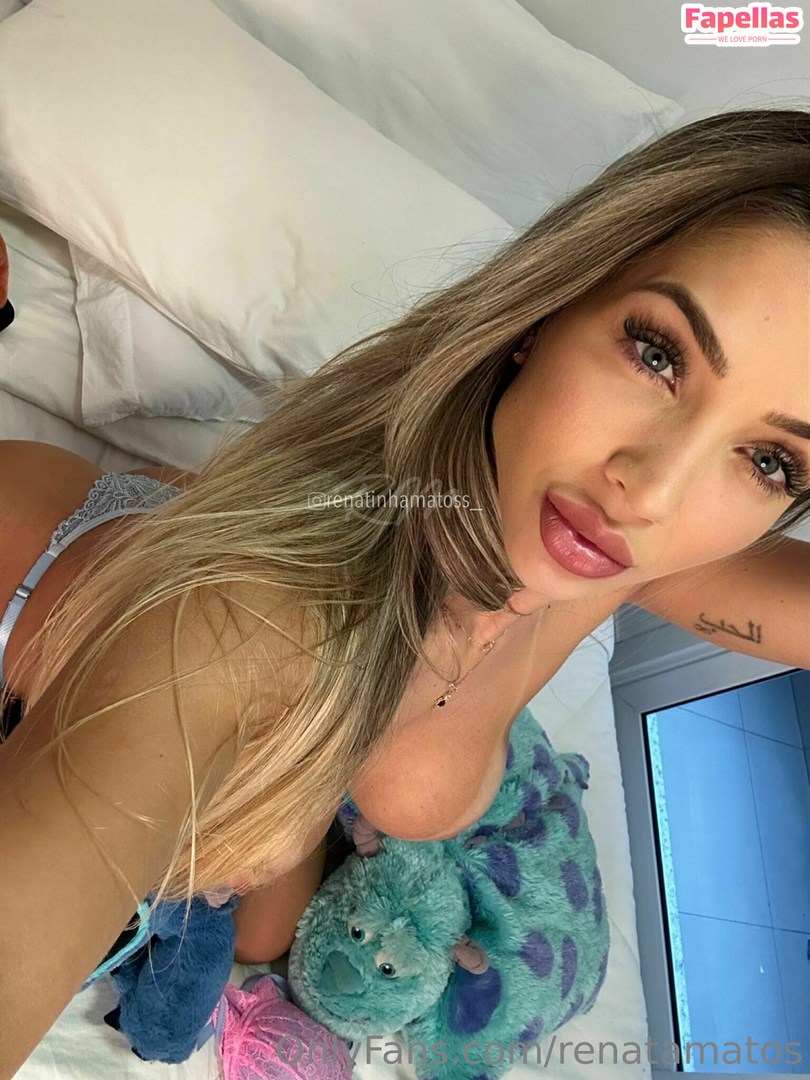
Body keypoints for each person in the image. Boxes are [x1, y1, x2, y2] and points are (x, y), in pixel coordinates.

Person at [0, 106, 808, 1073]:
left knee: (261, 934)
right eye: (658, 354)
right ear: (548, 308)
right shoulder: (259, 621)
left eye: (768, 460)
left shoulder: (610, 549)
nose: (657, 489)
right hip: (28, 573)